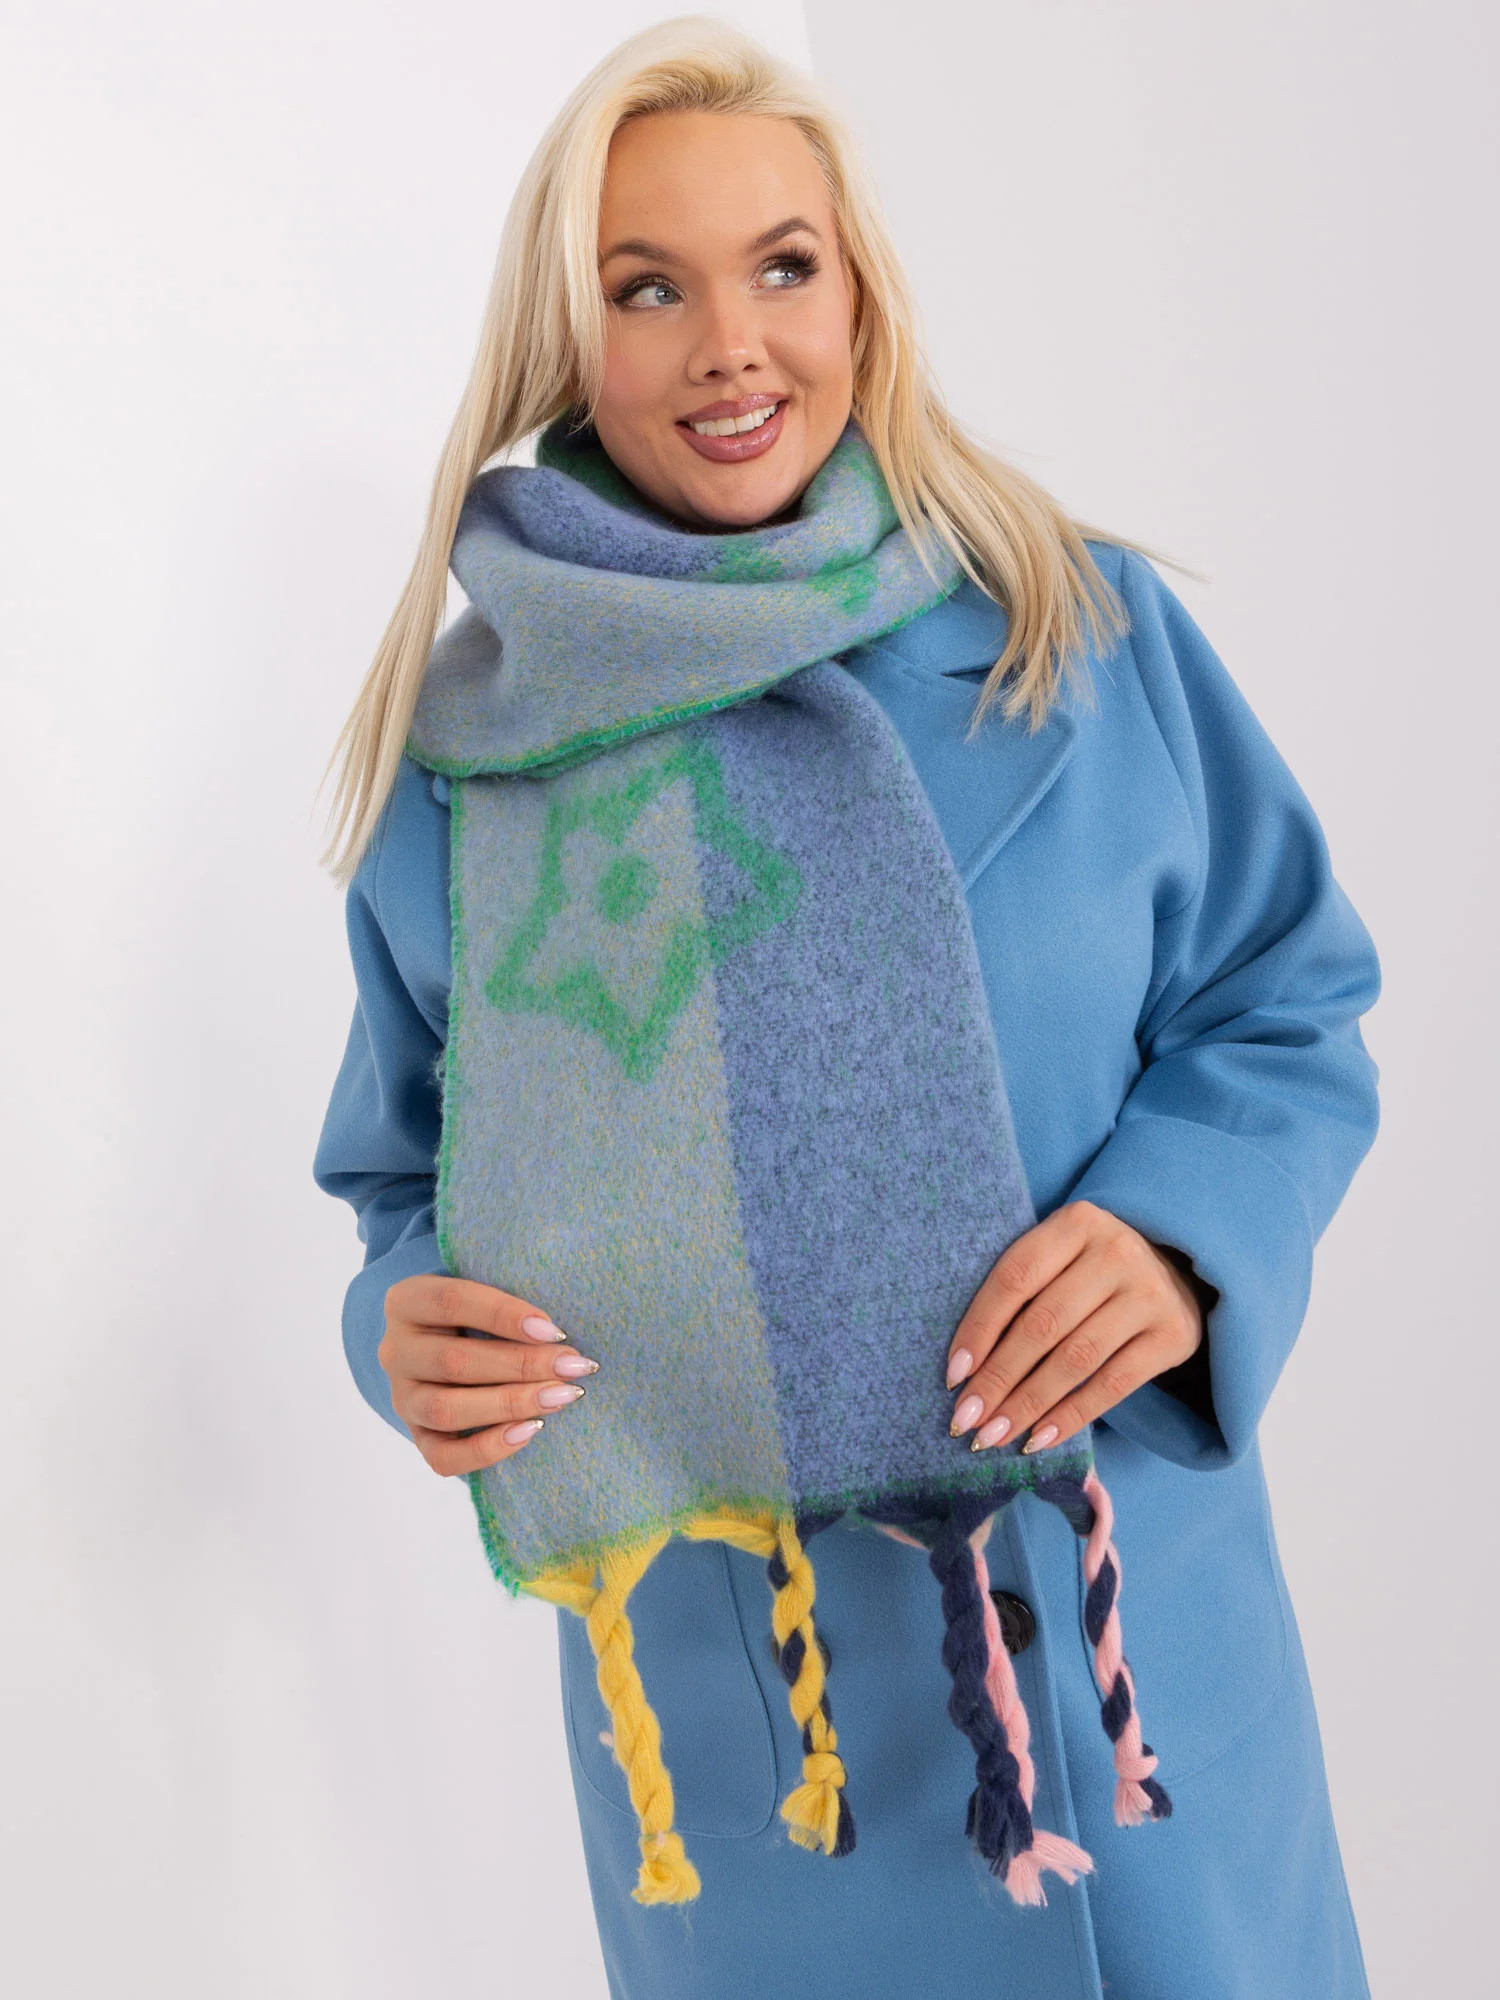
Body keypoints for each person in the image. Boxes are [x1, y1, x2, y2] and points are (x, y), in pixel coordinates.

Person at [311, 18, 1380, 1998]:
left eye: (782, 266)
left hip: (1139, 1692)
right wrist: (406, 1331)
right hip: (774, 1767)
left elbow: (1285, 999)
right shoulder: (473, 769)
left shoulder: (1079, 629)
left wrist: (1183, 1237)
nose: (732, 347)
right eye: (648, 288)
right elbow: (403, 1179)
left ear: (860, 295)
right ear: (568, 342)